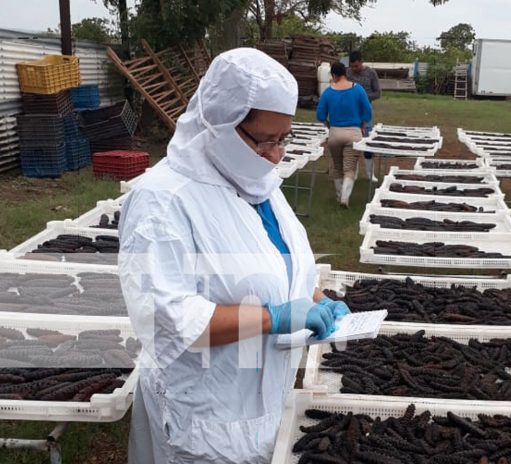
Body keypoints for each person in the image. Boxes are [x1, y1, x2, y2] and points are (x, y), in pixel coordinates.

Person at [118, 48, 349, 464]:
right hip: (205, 418)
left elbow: (275, 264)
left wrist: (316, 300)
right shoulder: (163, 201)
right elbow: (169, 321)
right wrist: (274, 317)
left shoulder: (260, 183)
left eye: (284, 138)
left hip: (262, 408)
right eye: (264, 140)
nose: (276, 154)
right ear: (218, 124)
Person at [316, 61, 372, 208]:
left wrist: (328, 125)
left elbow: (320, 114)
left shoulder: (328, 92)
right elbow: (368, 111)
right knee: (350, 168)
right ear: (345, 73)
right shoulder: (358, 89)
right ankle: (345, 198)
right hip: (353, 133)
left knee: (338, 166)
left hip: (335, 133)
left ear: (333, 75)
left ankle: (339, 195)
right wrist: (363, 126)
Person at [347, 51, 381, 182]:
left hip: (366, 110)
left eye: (356, 66)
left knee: (367, 141)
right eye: (352, 66)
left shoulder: (371, 73)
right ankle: (353, 173)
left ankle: (370, 173)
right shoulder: (348, 73)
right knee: (353, 143)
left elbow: (378, 93)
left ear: (362, 62)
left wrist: (363, 96)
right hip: (350, 111)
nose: (354, 69)